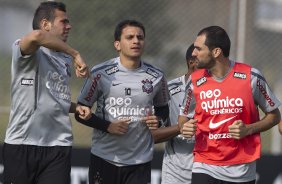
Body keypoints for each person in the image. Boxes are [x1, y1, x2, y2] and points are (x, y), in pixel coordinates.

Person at [178, 25, 281, 184]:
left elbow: (274, 116)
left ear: (216, 52)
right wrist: (185, 127)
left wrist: (248, 129)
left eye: (199, 48)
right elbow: (183, 118)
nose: (193, 53)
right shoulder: (194, 82)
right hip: (204, 164)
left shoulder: (251, 77)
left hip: (241, 170)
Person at [3, 2, 91, 184]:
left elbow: (56, 98)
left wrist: (76, 108)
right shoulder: (26, 50)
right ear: (45, 24)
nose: (69, 26)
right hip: (22, 143)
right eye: (64, 21)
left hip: (58, 146)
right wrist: (76, 53)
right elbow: (36, 36)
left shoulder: (65, 59)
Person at [75, 19, 170, 184]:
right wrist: (108, 127)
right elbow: (79, 112)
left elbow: (163, 110)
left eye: (140, 37)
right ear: (117, 44)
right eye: (130, 37)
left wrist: (159, 120)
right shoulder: (100, 73)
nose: (136, 41)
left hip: (140, 161)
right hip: (105, 157)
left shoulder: (157, 76)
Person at [151, 43, 197, 184]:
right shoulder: (169, 91)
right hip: (176, 173)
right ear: (192, 62)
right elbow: (153, 136)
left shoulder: (217, 90)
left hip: (209, 169)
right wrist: (181, 127)